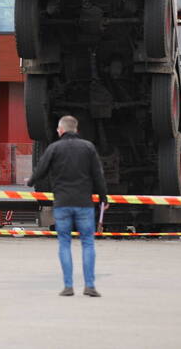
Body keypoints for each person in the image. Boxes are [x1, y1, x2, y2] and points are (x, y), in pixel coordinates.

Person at [27, 115, 108, 298]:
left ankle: (68, 286)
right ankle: (89, 286)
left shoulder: (54, 148)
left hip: (62, 204)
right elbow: (98, 175)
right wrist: (103, 198)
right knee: (88, 243)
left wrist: (31, 181)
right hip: (84, 204)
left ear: (61, 130)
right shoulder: (88, 148)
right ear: (76, 129)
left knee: (64, 244)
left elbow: (41, 170)